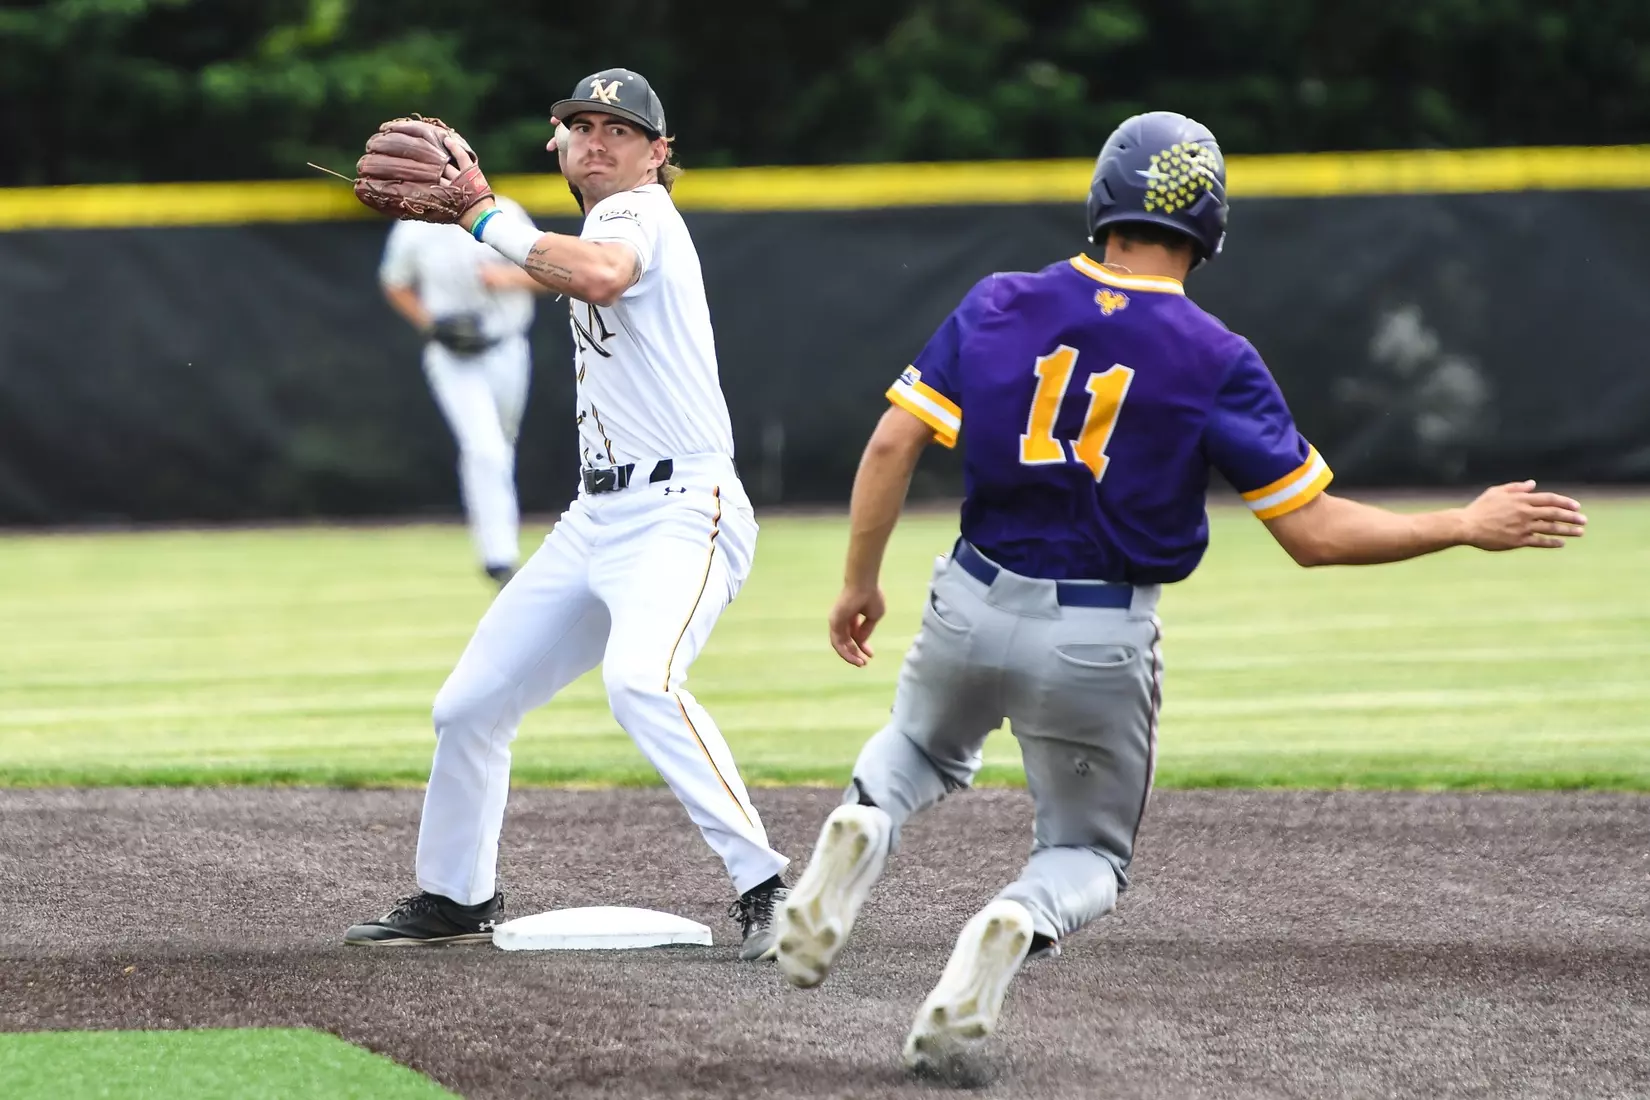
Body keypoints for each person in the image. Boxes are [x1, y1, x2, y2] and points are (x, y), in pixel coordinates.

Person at [771, 111, 1588, 1068]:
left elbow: (891, 446)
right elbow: (1314, 535)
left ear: (1100, 202)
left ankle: (867, 817)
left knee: (917, 745)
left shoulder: (999, 300)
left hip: (973, 593)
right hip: (1098, 634)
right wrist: (1461, 523)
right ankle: (1014, 915)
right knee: (1086, 857)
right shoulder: (1215, 357)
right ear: (1211, 223)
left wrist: (859, 582)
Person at [346, 68, 792, 959]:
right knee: (469, 707)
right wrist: (492, 219)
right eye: (581, 125)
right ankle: (455, 896)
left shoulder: (640, 214)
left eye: (620, 129)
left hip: (682, 508)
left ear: (659, 155)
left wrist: (480, 210)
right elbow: (568, 263)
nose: (598, 139)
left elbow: (597, 276)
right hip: (597, 518)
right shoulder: (593, 216)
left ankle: (773, 890)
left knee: (641, 680)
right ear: (557, 142)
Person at [379, 194, 548, 588]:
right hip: (452, 356)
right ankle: (498, 557)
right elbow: (395, 283)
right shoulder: (414, 224)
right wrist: (430, 325)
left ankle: (500, 548)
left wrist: (506, 278)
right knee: (484, 448)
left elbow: (547, 269)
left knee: (501, 447)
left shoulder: (502, 212)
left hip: (507, 345)